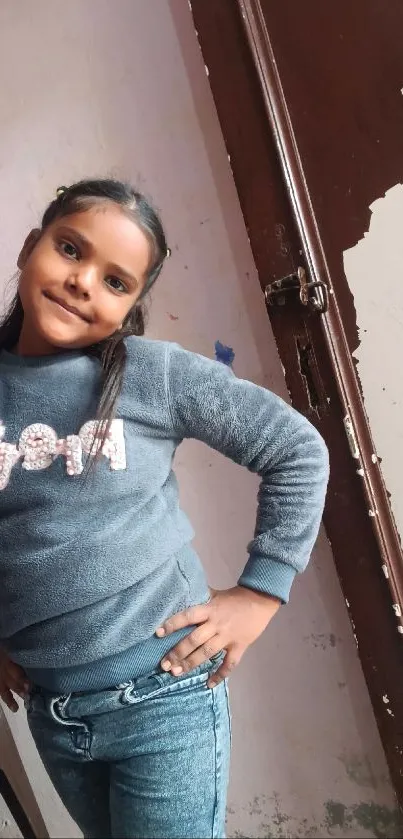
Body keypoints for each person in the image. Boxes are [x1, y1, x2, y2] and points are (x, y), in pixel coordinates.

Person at [0, 179, 329, 839]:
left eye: (116, 282)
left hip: (165, 695)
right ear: (31, 246)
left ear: (131, 306)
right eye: (69, 249)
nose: (82, 281)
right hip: (55, 713)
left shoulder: (152, 375)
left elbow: (297, 449)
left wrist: (260, 594)